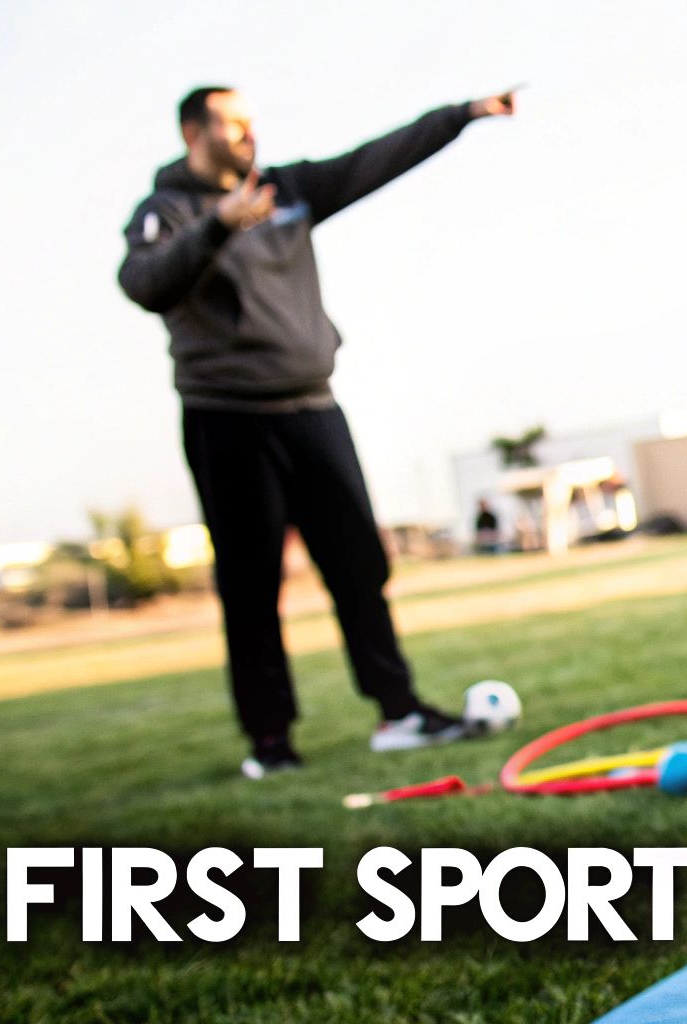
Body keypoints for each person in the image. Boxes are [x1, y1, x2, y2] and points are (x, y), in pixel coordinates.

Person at [118, 85, 517, 779]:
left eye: (252, 121)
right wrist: (218, 225)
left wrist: (463, 115)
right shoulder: (167, 212)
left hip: (313, 409)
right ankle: (271, 743)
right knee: (251, 586)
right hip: (228, 417)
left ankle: (400, 712)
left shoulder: (289, 189)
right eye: (233, 123)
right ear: (194, 132)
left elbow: (374, 161)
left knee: (360, 568)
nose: (249, 133)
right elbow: (146, 283)